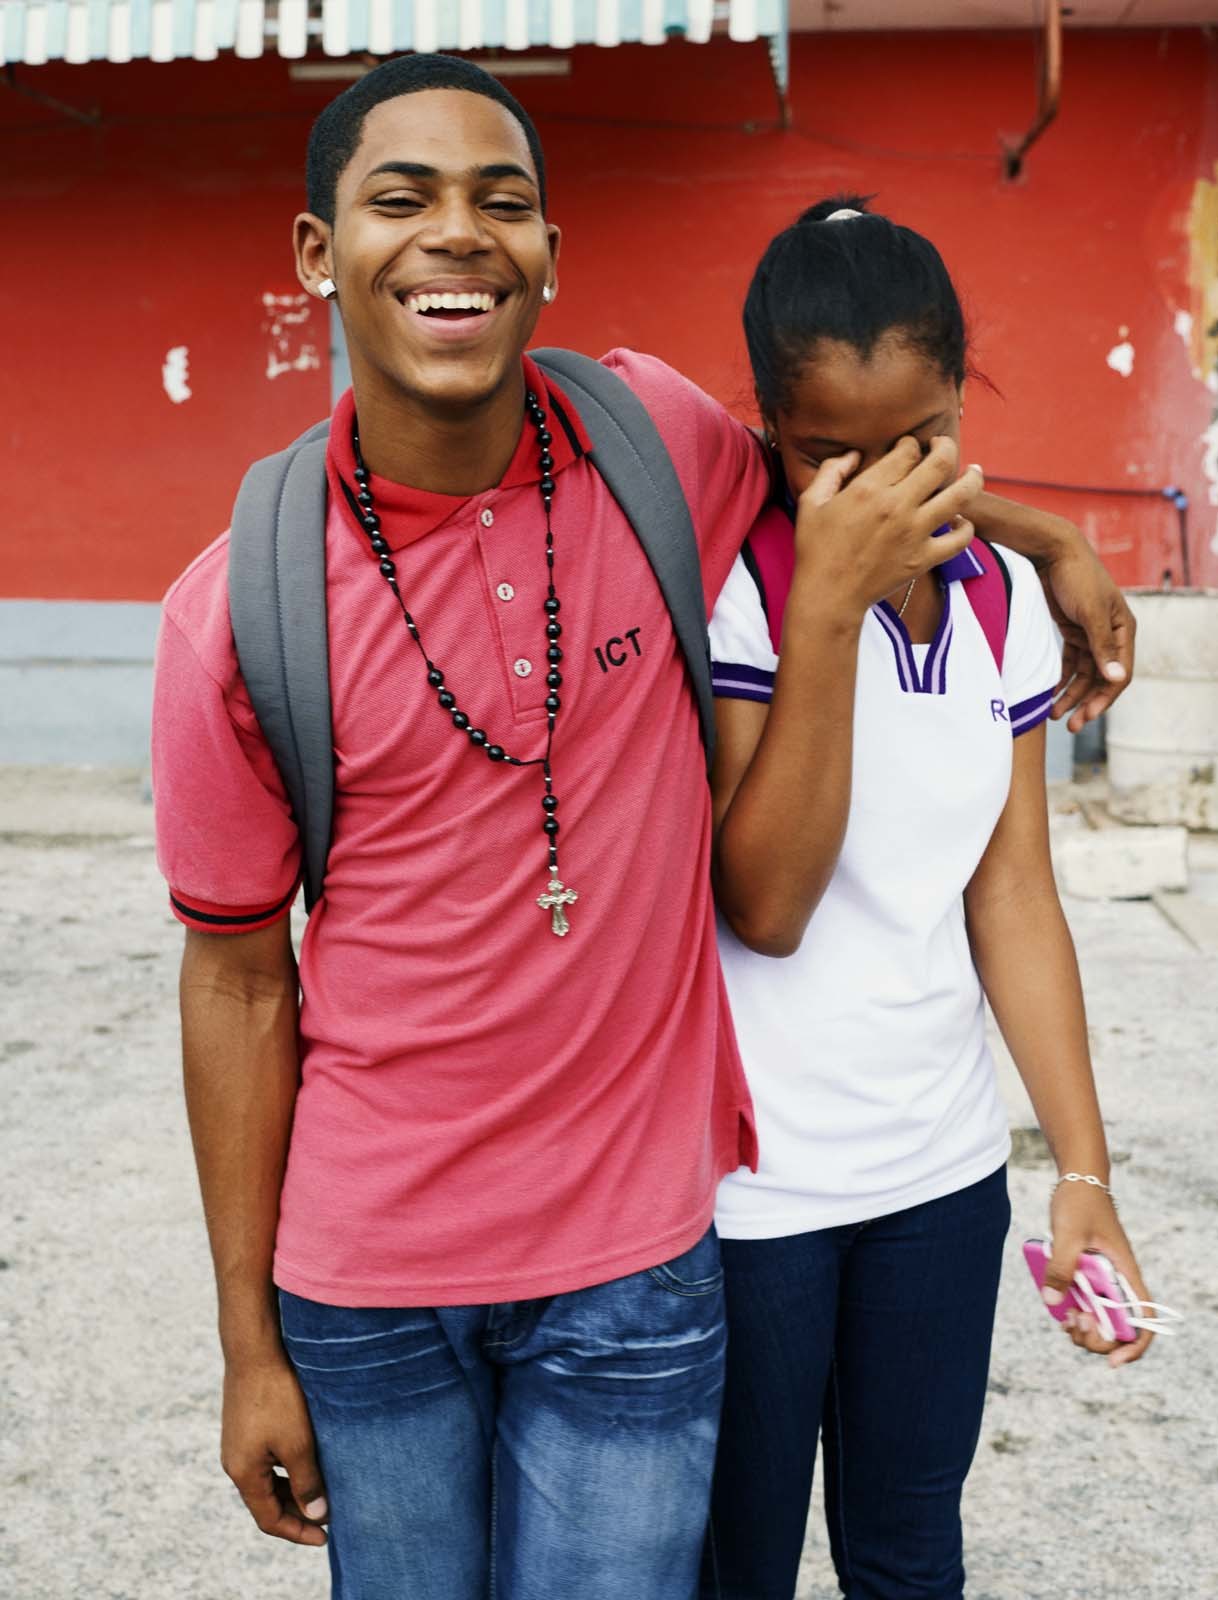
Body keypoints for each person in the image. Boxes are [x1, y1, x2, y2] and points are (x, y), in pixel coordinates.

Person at [150, 58, 1134, 1600]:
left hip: (636, 1256)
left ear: (552, 252)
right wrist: (245, 1346)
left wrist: (1044, 533)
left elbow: (846, 478)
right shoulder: (233, 608)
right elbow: (233, 980)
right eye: (401, 199)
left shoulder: (649, 443)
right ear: (315, 251)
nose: (453, 232)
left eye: (499, 201)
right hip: (373, 1270)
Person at [700, 198, 1154, 1600]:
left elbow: (1012, 894)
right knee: (733, 1567)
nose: (883, 492)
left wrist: (1081, 1172)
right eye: (827, 457)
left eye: (919, 445)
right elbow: (765, 906)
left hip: (939, 1182)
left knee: (910, 1559)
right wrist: (830, 607)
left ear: (961, 401)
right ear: (767, 432)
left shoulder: (1002, 599)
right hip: (748, 1204)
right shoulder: (736, 592)